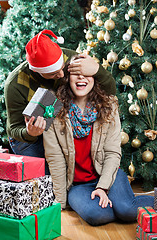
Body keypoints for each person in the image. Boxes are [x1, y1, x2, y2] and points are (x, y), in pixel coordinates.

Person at [43, 55, 154, 226]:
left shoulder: (109, 106)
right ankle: (120, 202)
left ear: (95, 76)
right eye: (75, 72)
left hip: (108, 174)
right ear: (66, 77)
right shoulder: (52, 108)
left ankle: (129, 202)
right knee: (98, 216)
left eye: (86, 72)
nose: (81, 77)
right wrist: (60, 201)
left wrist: (102, 187)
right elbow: (54, 158)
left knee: (127, 210)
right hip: (77, 185)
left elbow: (112, 152)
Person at [4, 29, 116, 174]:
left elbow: (110, 93)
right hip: (28, 138)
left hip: (60, 127)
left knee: (72, 175)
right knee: (44, 178)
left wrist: (97, 70)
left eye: (62, 68)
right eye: (54, 74)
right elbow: (13, 129)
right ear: (38, 71)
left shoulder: (70, 59)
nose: (62, 75)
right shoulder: (15, 85)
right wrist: (29, 133)